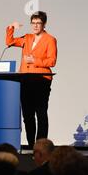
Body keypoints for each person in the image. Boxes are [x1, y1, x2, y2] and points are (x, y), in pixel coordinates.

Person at [6, 11, 57, 148]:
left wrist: (35, 60)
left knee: (40, 113)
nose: (35, 26)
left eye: (38, 23)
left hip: (41, 79)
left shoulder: (50, 39)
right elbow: (9, 42)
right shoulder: (27, 38)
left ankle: (41, 146)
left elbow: (52, 61)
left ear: (44, 24)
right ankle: (31, 145)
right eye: (33, 23)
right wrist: (11, 27)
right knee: (27, 114)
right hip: (25, 78)